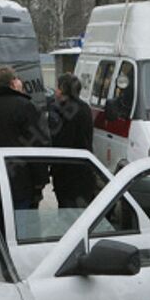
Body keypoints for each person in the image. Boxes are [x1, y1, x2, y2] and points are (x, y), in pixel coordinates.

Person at [0, 65, 49, 231]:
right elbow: (37, 146)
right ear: (13, 82)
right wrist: (40, 181)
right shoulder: (26, 106)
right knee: (20, 235)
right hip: (19, 184)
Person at [49, 73, 95, 207]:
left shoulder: (66, 111)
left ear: (63, 90)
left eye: (57, 87)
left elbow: (62, 142)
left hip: (68, 174)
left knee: (68, 214)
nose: (55, 91)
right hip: (84, 171)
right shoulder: (84, 108)